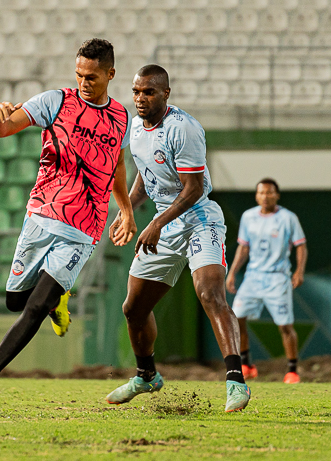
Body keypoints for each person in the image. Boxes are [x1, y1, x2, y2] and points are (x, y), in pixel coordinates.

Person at [0, 38, 137, 416]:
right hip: (42, 216)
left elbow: (116, 166)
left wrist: (125, 209)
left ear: (110, 74)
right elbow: (3, 130)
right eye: (79, 74)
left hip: (84, 228)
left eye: (92, 76)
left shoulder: (121, 117)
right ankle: (60, 298)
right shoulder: (56, 101)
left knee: (35, 309)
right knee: (16, 302)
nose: (84, 82)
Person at [105, 66, 251, 413]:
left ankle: (236, 382)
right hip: (164, 224)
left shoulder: (183, 128)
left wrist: (156, 223)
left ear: (166, 93)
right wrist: (127, 211)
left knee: (210, 293)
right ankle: (146, 376)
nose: (140, 98)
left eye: (149, 92)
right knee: (133, 309)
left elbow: (194, 188)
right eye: (136, 91)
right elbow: (145, 173)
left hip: (199, 218)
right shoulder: (135, 128)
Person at [225, 179, 307, 384]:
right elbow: (244, 248)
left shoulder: (288, 218)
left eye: (270, 193)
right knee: (237, 318)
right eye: (261, 193)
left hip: (278, 278)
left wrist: (299, 271)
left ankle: (292, 370)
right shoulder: (248, 216)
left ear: (277, 195)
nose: (265, 196)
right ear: (256, 195)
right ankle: (246, 365)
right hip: (253, 277)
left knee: (285, 326)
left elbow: (301, 246)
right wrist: (233, 272)